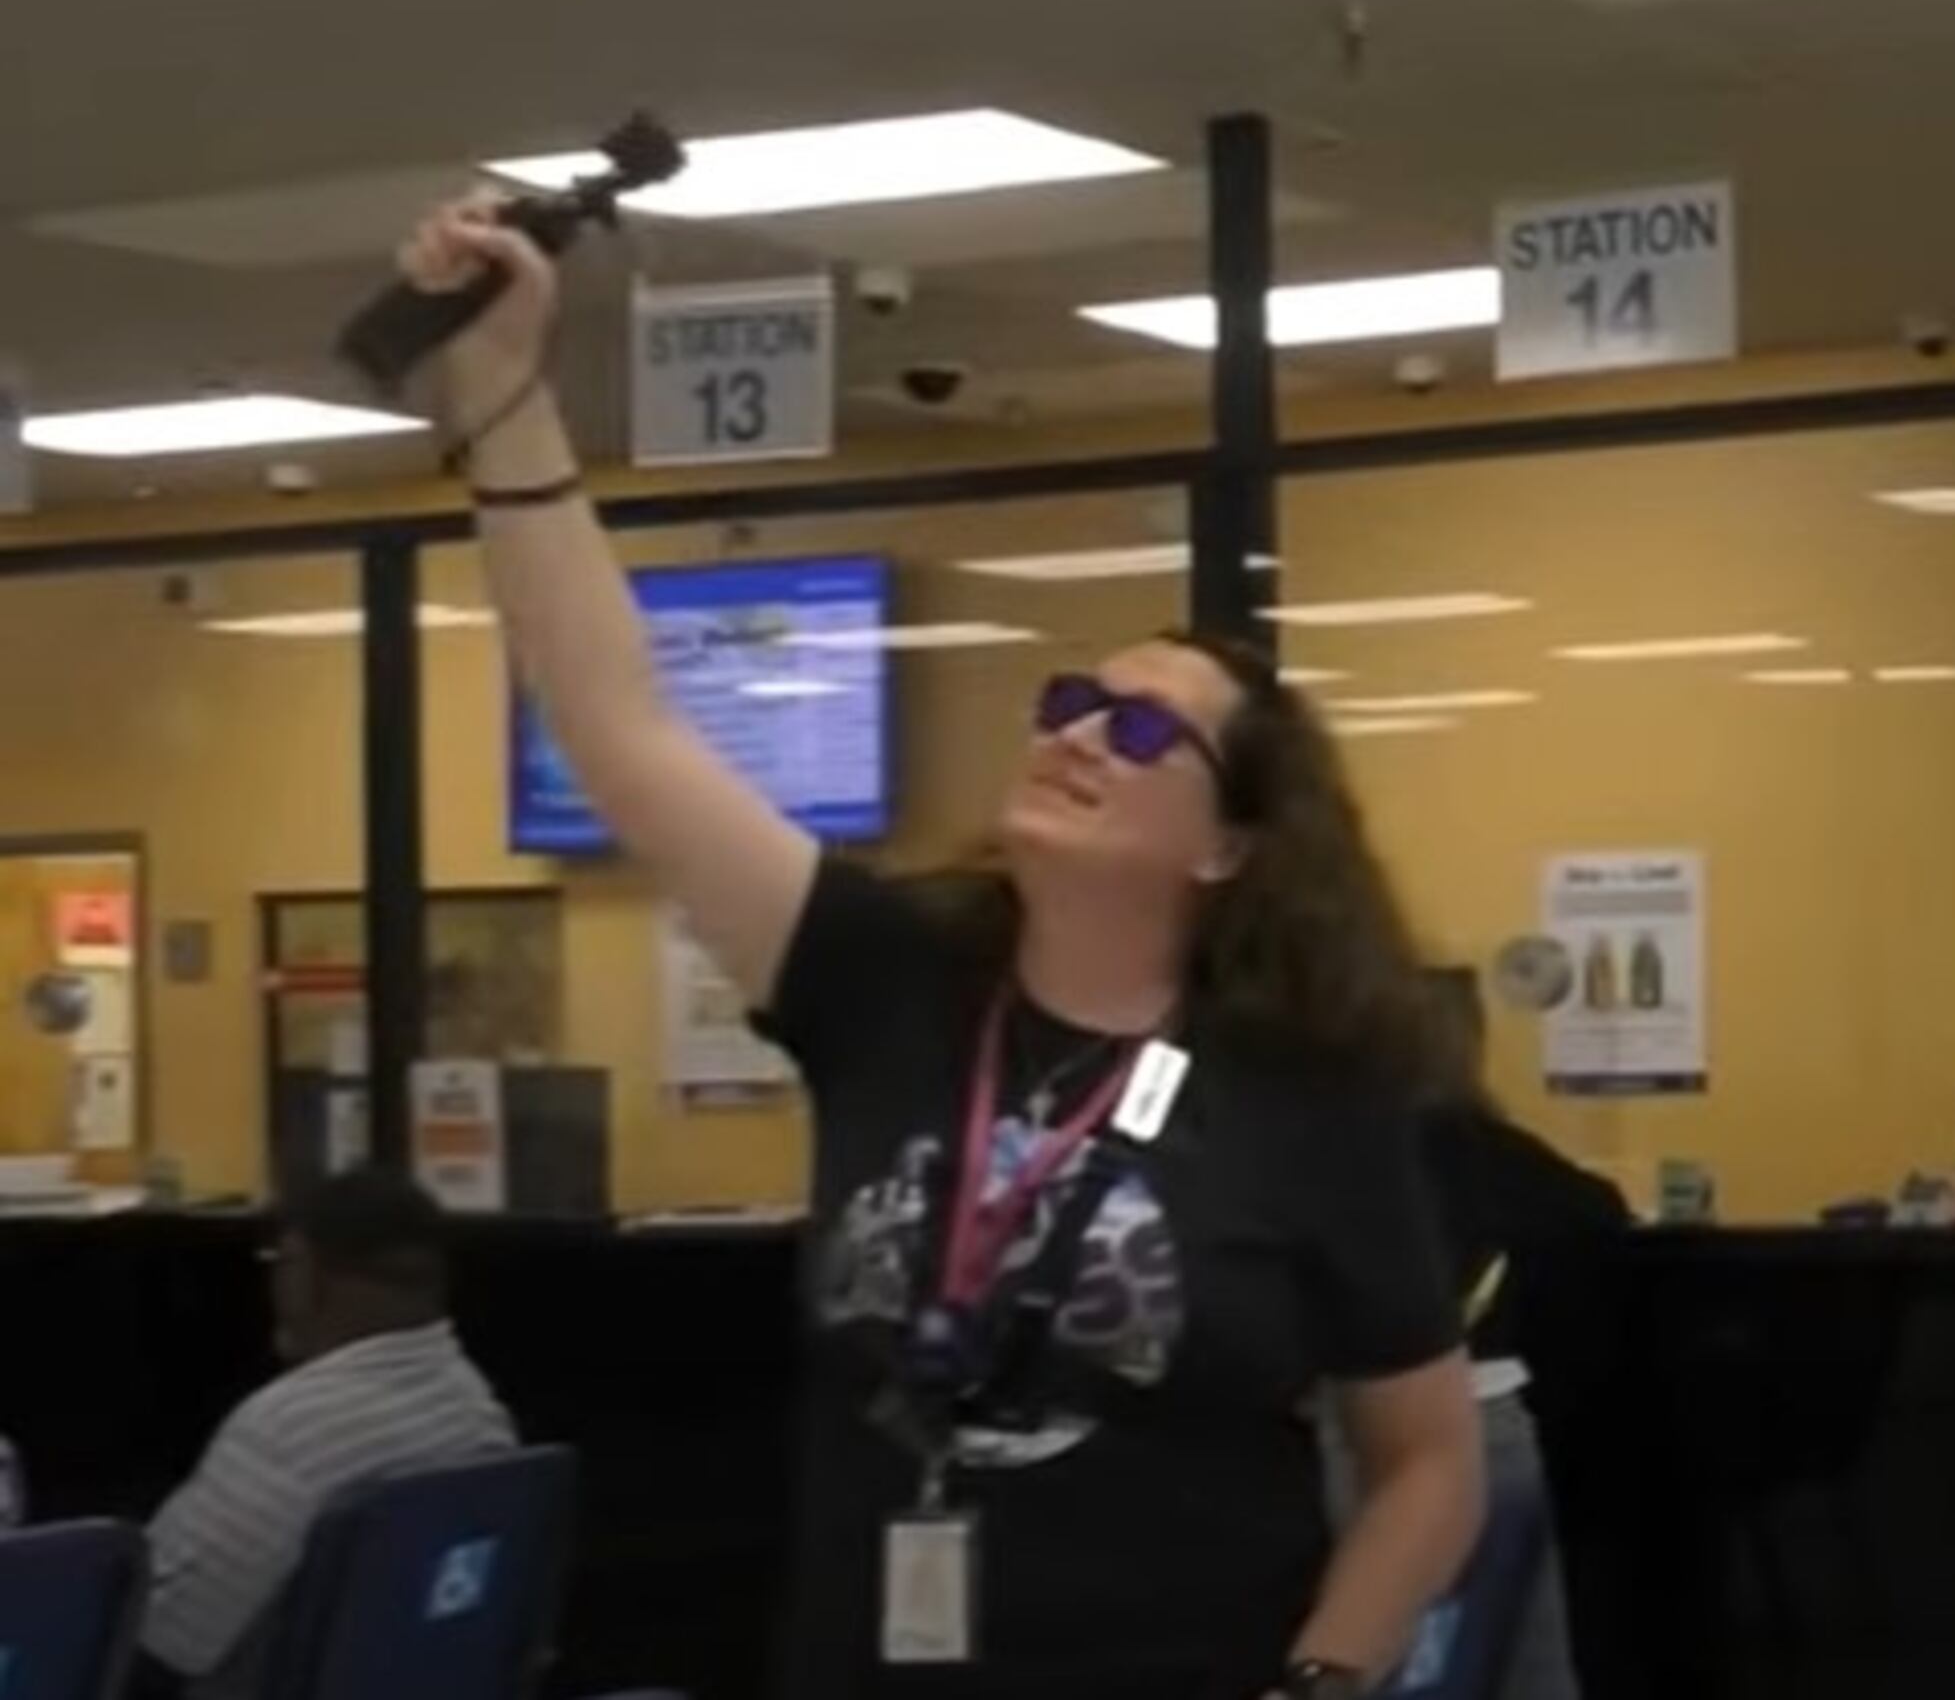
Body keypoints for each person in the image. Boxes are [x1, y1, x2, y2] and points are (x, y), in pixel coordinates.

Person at [391, 196, 1484, 1700]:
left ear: (1231, 845)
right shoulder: (885, 978)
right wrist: (502, 391)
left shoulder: (1304, 1091)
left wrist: (1320, 1683)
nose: (1079, 733)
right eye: (1071, 702)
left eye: (1142, 730)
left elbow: (1430, 1460)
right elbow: (619, 727)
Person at [1328, 974, 1630, 1700]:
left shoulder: (1338, 1154)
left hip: (1367, 1431)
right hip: (1501, 1422)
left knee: (1401, 1654)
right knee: (1530, 1660)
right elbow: (1599, 1216)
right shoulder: (1493, 1152)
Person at [141, 1168, 518, 1699]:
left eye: (277, 1262)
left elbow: (161, 1635)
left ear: (302, 1269)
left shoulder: (289, 1427)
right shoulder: (480, 1414)